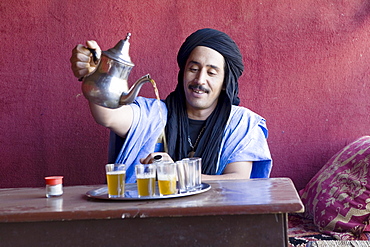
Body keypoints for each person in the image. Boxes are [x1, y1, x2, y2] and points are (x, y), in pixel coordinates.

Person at [70, 28, 272, 183]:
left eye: (211, 73)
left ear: (226, 82)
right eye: (193, 68)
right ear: (182, 72)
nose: (199, 80)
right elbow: (108, 116)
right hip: (150, 226)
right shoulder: (154, 114)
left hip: (217, 228)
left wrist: (176, 173)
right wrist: (94, 76)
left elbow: (238, 182)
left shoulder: (242, 124)